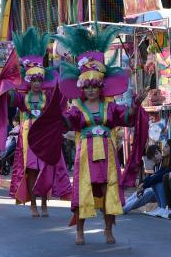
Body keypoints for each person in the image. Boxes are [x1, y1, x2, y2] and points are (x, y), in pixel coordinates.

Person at [30, 25, 148, 245]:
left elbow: (127, 117)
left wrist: (135, 105)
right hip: (85, 152)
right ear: (82, 88)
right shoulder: (76, 109)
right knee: (84, 189)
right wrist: (54, 117)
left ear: (101, 86)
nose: (92, 90)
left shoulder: (110, 108)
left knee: (108, 189)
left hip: (108, 153)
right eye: (88, 86)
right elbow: (65, 123)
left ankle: (108, 229)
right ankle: (80, 231)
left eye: (95, 86)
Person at [7, 27, 71, 217]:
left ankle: (44, 203)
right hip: (27, 135)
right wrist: (6, 83)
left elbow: (60, 100)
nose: (36, 83)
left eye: (39, 79)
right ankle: (33, 204)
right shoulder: (21, 96)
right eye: (33, 80)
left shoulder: (48, 95)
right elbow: (10, 99)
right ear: (28, 81)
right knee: (31, 170)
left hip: (44, 134)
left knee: (46, 169)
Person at [140, 138, 171, 218]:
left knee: (161, 179)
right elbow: (158, 173)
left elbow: (162, 174)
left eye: (166, 147)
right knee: (157, 180)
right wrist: (144, 183)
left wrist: (144, 185)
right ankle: (162, 207)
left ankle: (168, 207)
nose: (163, 149)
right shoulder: (169, 159)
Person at [123, 145, 162, 214]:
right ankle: (122, 205)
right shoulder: (157, 165)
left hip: (162, 191)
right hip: (158, 190)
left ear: (160, 151)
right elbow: (152, 177)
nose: (155, 157)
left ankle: (124, 208)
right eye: (153, 156)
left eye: (157, 153)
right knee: (137, 193)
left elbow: (157, 177)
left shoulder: (165, 162)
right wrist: (142, 185)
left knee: (146, 193)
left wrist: (143, 186)